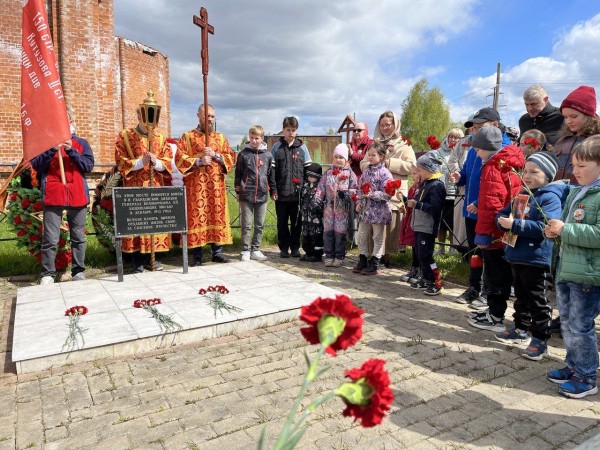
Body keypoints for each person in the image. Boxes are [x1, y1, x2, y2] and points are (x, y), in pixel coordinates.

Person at [495, 152, 568, 360]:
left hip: (536, 258)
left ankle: (540, 339)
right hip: (517, 254)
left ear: (547, 176)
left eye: (534, 172)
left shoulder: (550, 197)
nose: (527, 175)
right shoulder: (522, 193)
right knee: (521, 296)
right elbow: (504, 212)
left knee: (538, 299)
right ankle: (520, 328)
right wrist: (500, 219)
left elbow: (546, 227)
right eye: (525, 171)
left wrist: (515, 225)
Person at [545, 135, 600, 398]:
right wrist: (555, 232)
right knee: (566, 322)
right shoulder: (578, 191)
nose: (574, 171)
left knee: (581, 325)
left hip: (588, 275)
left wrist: (566, 230)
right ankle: (573, 365)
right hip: (567, 268)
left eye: (582, 166)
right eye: (574, 165)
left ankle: (587, 377)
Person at [450, 108, 512, 307]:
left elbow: (504, 186)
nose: (475, 132)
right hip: (471, 209)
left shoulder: (504, 150)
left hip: (491, 211)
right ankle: (474, 287)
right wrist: (460, 177)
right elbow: (468, 174)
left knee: (492, 254)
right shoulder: (474, 149)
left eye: (479, 127)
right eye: (473, 129)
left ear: (494, 125)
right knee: (475, 251)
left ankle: (489, 291)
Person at [467, 126, 524, 332]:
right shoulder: (509, 162)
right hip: (506, 227)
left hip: (495, 231)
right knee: (501, 273)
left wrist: (484, 233)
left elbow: (493, 202)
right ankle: (495, 310)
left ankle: (495, 315)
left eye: (478, 149)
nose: (476, 152)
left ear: (486, 147)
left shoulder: (492, 166)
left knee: (494, 274)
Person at [31, 110, 94, 284]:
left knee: (78, 237)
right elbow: (36, 165)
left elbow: (88, 166)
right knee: (50, 238)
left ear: (72, 121)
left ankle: (78, 271)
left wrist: (72, 151)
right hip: (53, 195)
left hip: (77, 196)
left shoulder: (81, 143)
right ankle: (48, 274)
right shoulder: (45, 143)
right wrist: (52, 149)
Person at [176, 104, 235, 265]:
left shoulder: (220, 138)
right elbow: (179, 158)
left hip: (216, 187)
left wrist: (216, 156)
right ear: (198, 115)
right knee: (197, 217)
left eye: (212, 116)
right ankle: (197, 255)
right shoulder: (187, 137)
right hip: (197, 187)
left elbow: (230, 157)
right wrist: (198, 161)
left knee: (216, 215)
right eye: (206, 116)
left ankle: (217, 252)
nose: (209, 119)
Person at [115, 107, 172, 273]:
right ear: (138, 115)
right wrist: (141, 162)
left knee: (153, 221)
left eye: (152, 119)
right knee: (137, 223)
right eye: (145, 117)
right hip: (135, 187)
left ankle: (151, 259)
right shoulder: (126, 136)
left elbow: (168, 162)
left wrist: (157, 162)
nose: (149, 123)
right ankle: (137, 261)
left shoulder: (160, 138)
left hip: (155, 186)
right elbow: (120, 160)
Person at [362, 111, 416, 266]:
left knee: (387, 224)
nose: (385, 127)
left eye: (388, 124)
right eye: (382, 124)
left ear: (395, 125)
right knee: (373, 225)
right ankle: (372, 256)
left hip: (393, 191)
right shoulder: (375, 143)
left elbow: (412, 166)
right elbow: (363, 163)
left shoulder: (404, 144)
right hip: (374, 191)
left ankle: (384, 257)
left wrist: (390, 163)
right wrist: (375, 163)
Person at [271, 116, 312, 258]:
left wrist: (306, 190)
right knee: (282, 222)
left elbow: (308, 170)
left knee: (296, 223)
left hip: (298, 195)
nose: (290, 133)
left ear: (296, 131)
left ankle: (295, 247)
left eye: (293, 130)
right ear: (283, 130)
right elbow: (272, 172)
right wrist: (274, 189)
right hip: (281, 193)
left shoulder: (303, 148)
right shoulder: (276, 148)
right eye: (288, 130)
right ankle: (283, 248)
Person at [234, 125, 276, 262]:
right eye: (251, 138)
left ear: (262, 138)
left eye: (256, 138)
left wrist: (273, 191)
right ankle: (245, 250)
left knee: (259, 224)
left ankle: (256, 249)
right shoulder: (243, 154)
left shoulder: (268, 155)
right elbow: (238, 174)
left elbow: (271, 175)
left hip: (262, 194)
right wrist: (237, 191)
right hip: (246, 194)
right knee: (246, 224)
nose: (253, 141)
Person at [407, 153, 447, 295]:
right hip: (419, 225)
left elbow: (435, 208)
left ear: (429, 169)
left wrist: (418, 205)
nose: (418, 173)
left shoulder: (437, 186)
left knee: (426, 255)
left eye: (420, 170)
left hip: (428, 227)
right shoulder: (425, 184)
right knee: (420, 254)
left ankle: (437, 282)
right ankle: (426, 278)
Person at [354, 143, 394, 275]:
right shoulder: (366, 171)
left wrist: (371, 194)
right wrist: (359, 201)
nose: (370, 157)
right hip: (366, 210)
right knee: (361, 235)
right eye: (368, 155)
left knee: (377, 236)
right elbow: (360, 188)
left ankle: (375, 261)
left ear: (381, 156)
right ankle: (363, 258)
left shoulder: (385, 173)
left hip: (379, 211)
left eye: (373, 155)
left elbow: (388, 193)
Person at [314, 144, 357, 267]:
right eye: (336, 157)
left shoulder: (350, 174)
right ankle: (329, 255)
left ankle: (339, 256)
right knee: (328, 232)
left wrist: (347, 194)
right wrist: (317, 199)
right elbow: (321, 187)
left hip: (342, 209)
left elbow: (354, 189)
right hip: (328, 208)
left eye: (341, 157)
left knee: (340, 232)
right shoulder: (328, 173)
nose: (338, 160)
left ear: (346, 159)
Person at [554, 86, 600, 183]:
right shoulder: (562, 141)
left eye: (573, 116)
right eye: (565, 117)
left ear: (589, 116)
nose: (568, 121)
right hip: (558, 193)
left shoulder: (596, 143)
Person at [434, 128, 464, 255]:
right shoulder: (440, 152)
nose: (453, 139)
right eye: (451, 136)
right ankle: (441, 247)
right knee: (441, 221)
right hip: (442, 190)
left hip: (456, 192)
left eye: (456, 137)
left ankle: (453, 247)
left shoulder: (463, 152)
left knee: (452, 221)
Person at [398, 165, 421, 283]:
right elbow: (410, 202)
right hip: (411, 219)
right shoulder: (413, 188)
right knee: (414, 245)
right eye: (412, 174)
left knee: (419, 246)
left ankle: (420, 269)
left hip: (419, 221)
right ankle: (414, 268)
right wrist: (404, 203)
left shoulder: (422, 188)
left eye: (414, 174)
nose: (412, 176)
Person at [300, 163, 324, 263]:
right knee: (306, 234)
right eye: (309, 176)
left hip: (316, 217)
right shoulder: (305, 186)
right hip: (306, 217)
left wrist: (318, 209)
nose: (310, 178)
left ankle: (317, 254)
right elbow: (302, 198)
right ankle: (308, 252)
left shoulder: (320, 188)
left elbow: (322, 201)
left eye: (312, 177)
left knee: (316, 235)